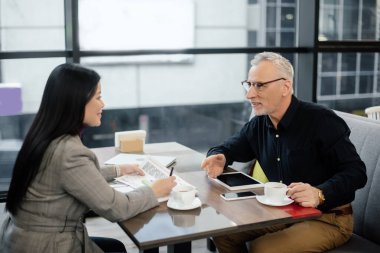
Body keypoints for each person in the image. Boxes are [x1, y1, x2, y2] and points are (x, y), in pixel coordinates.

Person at [0, 63, 176, 253]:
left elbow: (72, 177)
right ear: (75, 101)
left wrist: (119, 170)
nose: (103, 104)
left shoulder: (44, 135)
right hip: (48, 245)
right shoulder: (69, 151)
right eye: (98, 97)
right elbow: (116, 208)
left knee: (116, 247)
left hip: (21, 238)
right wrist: (154, 191)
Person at [201, 52, 367, 253]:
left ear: (285, 87)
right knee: (223, 232)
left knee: (263, 248)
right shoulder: (259, 125)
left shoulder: (321, 120)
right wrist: (219, 157)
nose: (249, 95)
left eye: (260, 85)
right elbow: (227, 149)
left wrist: (320, 193)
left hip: (328, 218)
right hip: (283, 212)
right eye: (249, 84)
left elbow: (356, 172)